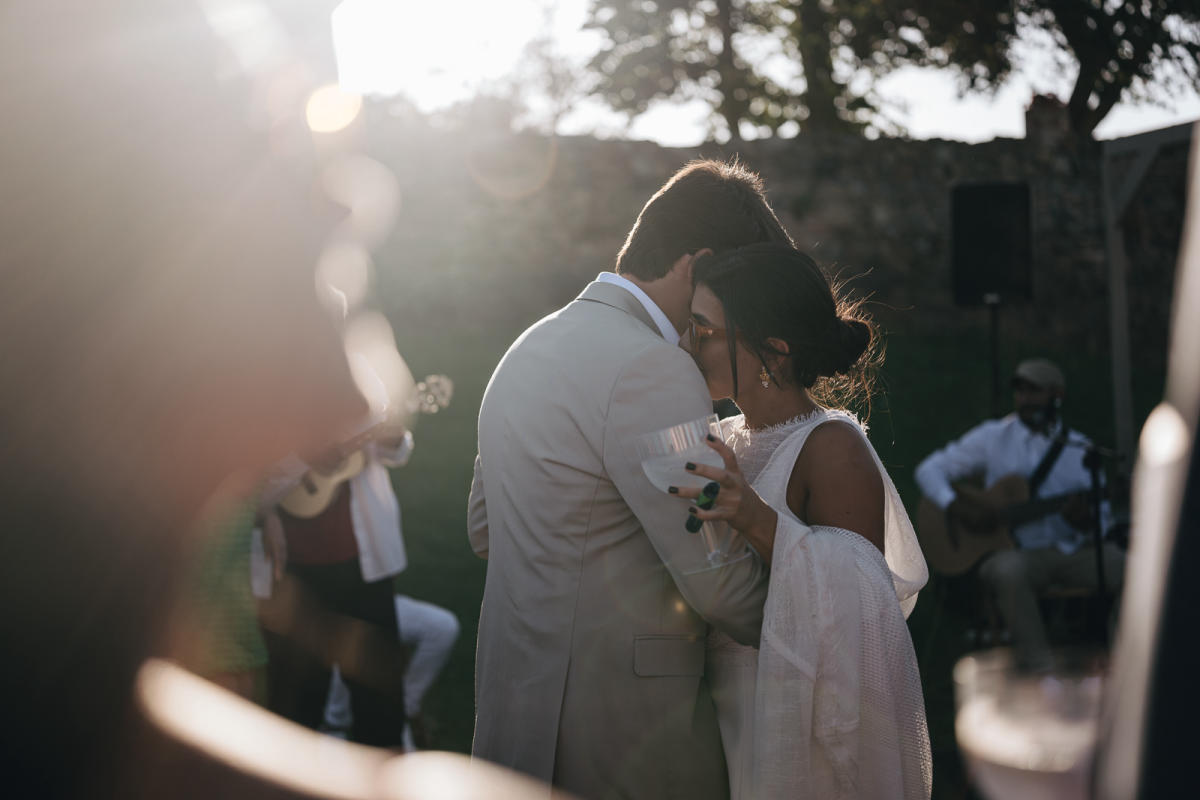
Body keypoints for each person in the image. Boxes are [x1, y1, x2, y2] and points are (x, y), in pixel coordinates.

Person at [468, 159, 793, 799]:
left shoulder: (528, 346)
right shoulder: (654, 369)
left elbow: (486, 530)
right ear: (698, 267)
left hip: (512, 714)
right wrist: (826, 624)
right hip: (625, 736)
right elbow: (717, 582)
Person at [673, 243, 931, 800]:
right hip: (718, 724)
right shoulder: (726, 440)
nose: (690, 344)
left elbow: (862, 609)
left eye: (706, 329)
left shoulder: (831, 445)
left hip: (798, 733)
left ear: (774, 350)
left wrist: (755, 519)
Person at [915, 358, 1124, 665]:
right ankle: (1041, 670)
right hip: (1020, 554)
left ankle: (1128, 665)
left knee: (1137, 570)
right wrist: (954, 505)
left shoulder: (1081, 450)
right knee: (1006, 571)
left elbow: (1103, 521)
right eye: (1021, 391)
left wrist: (1085, 523)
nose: (1025, 399)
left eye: (1034, 391)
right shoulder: (993, 437)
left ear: (1057, 396)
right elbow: (929, 469)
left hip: (1073, 551)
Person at [256, 416, 414, 748]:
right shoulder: (267, 384)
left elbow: (398, 453)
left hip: (364, 568)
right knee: (296, 710)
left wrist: (395, 439)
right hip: (295, 579)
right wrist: (304, 458)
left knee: (381, 706)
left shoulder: (365, 377)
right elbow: (254, 484)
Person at [322, 592, 460, 750]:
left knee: (443, 627)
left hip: (377, 598)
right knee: (354, 635)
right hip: (334, 602)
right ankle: (334, 723)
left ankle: (403, 706)